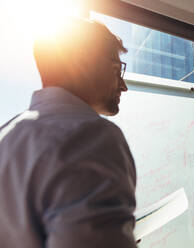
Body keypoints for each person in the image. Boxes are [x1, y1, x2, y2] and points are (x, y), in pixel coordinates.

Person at [0, 17, 137, 248]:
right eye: (117, 69)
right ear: (83, 63)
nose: (123, 85)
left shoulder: (7, 136)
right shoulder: (90, 136)